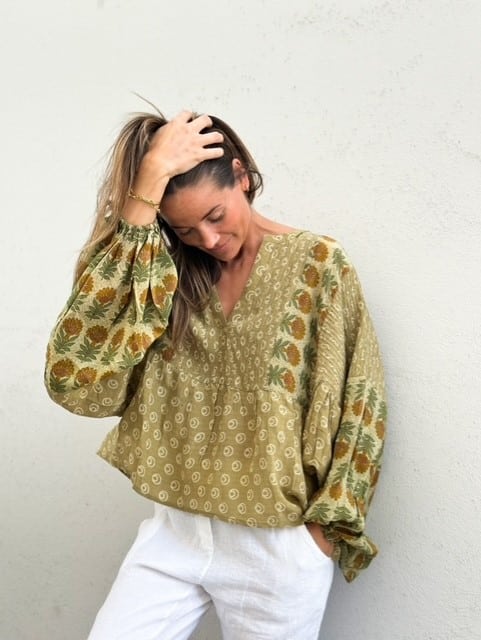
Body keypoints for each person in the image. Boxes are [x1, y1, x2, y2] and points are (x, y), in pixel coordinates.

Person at [45, 109, 387, 640]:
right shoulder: (165, 276)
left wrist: (323, 533)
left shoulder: (318, 263)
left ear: (242, 177)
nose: (207, 238)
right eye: (184, 229)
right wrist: (148, 180)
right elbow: (75, 369)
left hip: (275, 545)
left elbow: (360, 395)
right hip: (175, 531)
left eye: (215, 215)